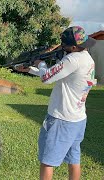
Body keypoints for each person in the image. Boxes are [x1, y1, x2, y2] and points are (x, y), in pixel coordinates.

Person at [16, 26, 97, 180]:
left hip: (61, 119)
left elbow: (46, 78)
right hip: (78, 119)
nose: (62, 47)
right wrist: (30, 70)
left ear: (73, 47)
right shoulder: (87, 58)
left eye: (64, 45)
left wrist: (40, 64)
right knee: (74, 158)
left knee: (47, 161)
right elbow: (58, 73)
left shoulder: (72, 59)